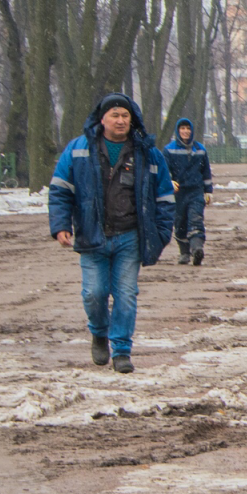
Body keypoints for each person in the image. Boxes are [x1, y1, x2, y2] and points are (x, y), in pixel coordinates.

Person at [49, 93, 175, 374]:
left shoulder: (148, 153)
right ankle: (98, 332)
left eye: (125, 116)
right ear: (102, 119)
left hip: (130, 236)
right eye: (115, 115)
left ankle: (121, 350)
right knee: (94, 294)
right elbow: (60, 189)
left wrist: (162, 233)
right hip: (92, 236)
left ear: (132, 120)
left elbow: (164, 198)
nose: (120, 120)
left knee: (126, 295)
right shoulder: (78, 149)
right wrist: (60, 226)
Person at [164, 117, 214, 265]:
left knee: (196, 219)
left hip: (196, 191)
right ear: (178, 131)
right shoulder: (169, 149)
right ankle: (184, 252)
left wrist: (208, 191)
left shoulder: (200, 150)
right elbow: (164, 171)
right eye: (182, 128)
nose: (185, 131)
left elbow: (206, 171)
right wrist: (168, 183)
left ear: (192, 131)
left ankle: (197, 248)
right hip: (178, 193)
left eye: (188, 128)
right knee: (180, 222)